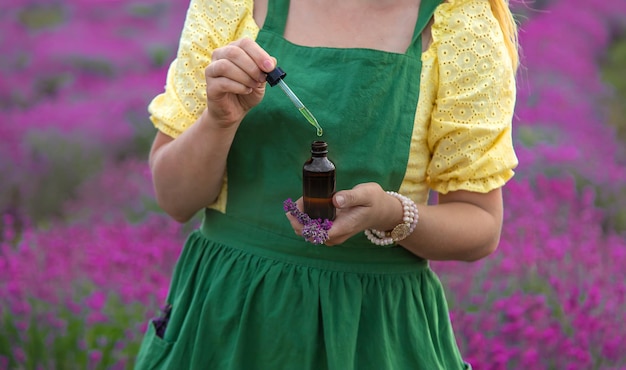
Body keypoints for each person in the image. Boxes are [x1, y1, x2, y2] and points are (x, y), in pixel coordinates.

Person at [134, 0, 519, 368]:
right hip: (226, 319)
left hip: (368, 333)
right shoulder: (231, 6)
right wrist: (217, 121)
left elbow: (481, 226)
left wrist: (390, 214)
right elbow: (175, 199)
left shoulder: (458, 25)